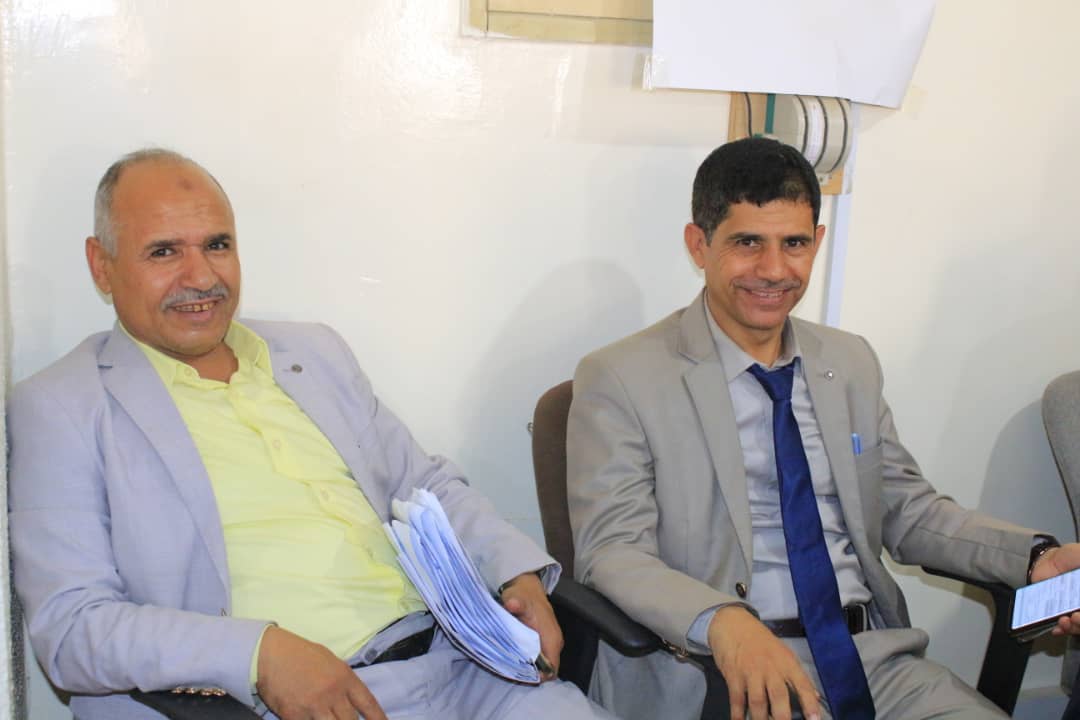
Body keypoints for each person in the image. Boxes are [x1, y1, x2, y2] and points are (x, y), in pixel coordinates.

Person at [8, 148, 615, 720]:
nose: (200, 276)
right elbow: (72, 627)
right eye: (164, 252)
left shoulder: (312, 352)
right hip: (284, 704)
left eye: (217, 245)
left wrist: (513, 573)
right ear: (102, 265)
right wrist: (259, 653)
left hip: (462, 666)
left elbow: (423, 483)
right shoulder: (62, 406)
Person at [565, 137, 1080, 720]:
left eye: (794, 244)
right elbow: (612, 553)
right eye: (747, 243)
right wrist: (723, 622)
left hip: (871, 660)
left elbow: (908, 510)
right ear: (699, 244)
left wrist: (1035, 557)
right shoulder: (622, 377)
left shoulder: (849, 361)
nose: (774, 270)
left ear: (818, 241)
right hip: (720, 672)